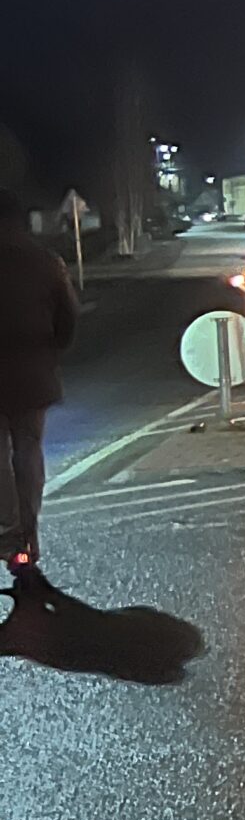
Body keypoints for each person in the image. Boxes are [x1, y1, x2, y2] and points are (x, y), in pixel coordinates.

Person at [0, 190, 79, 587]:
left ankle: (7, 533)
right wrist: (49, 352)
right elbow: (68, 319)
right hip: (32, 374)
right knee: (28, 452)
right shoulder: (46, 262)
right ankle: (27, 539)